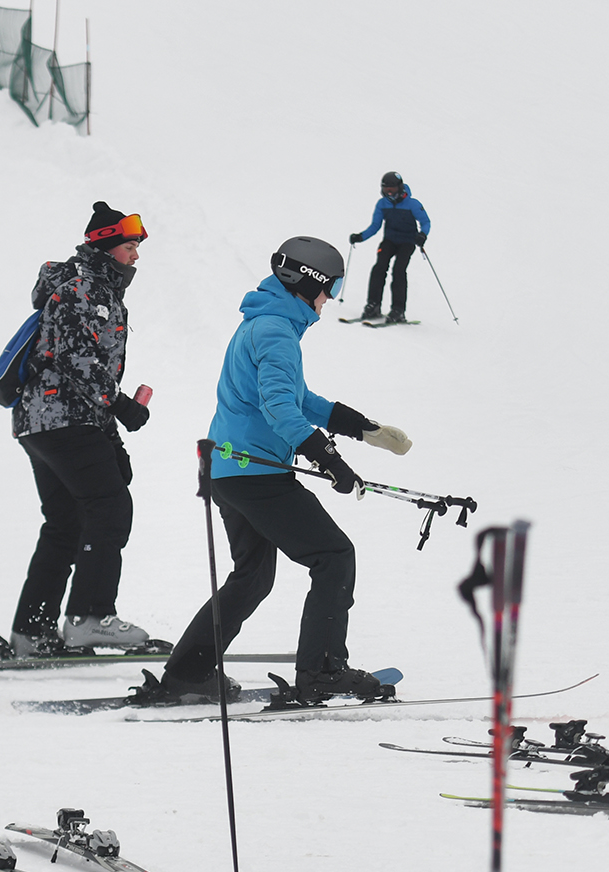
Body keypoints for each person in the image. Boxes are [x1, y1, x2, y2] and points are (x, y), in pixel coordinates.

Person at [155, 237, 414, 705]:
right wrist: (329, 459)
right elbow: (281, 410)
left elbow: (298, 399)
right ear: (306, 282)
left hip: (230, 471)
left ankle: (187, 673)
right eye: (328, 287)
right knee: (334, 556)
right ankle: (323, 672)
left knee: (252, 577)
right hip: (257, 474)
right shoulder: (275, 331)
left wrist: (362, 428)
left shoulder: (266, 324)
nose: (330, 298)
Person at [4, 201, 159, 657]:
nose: (136, 255)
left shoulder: (94, 289)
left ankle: (32, 633)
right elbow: (76, 359)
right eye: (130, 246)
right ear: (107, 247)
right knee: (110, 508)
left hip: (49, 420)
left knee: (66, 522)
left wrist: (109, 429)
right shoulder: (81, 290)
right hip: (62, 417)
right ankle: (91, 617)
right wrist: (121, 405)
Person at [348, 172, 431, 326]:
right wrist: (360, 237)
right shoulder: (382, 204)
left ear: (399, 187)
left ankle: (398, 310)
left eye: (392, 189)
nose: (390, 192)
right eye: (386, 189)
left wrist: (422, 235)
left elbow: (425, 222)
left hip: (407, 242)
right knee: (379, 268)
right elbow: (375, 226)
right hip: (389, 241)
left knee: (399, 271)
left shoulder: (412, 204)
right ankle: (373, 305)